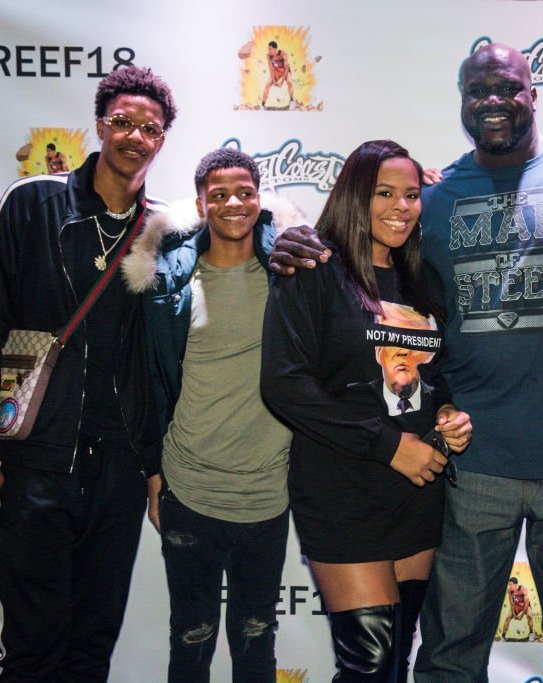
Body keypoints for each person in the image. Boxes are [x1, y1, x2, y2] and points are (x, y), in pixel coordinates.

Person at [268, 43, 543, 682]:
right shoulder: (436, 196)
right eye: (477, 92)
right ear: (461, 103)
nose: (492, 103)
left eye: (507, 88)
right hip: (470, 466)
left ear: (534, 92)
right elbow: (365, 249)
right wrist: (281, 236)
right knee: (450, 655)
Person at [0, 65, 176, 680]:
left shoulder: (164, 234)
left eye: (149, 128)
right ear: (100, 125)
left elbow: (162, 363)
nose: (134, 136)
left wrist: (153, 467)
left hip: (119, 473)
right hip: (35, 461)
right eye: (122, 122)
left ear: (162, 140)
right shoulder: (32, 203)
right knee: (31, 651)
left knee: (90, 649)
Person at [260, 139, 472, 682]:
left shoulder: (422, 279)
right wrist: (388, 445)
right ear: (356, 194)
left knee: (396, 662)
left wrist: (447, 410)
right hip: (343, 490)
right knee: (369, 668)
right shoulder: (312, 268)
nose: (402, 206)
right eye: (384, 193)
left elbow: (432, 373)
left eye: (411, 194)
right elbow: (283, 385)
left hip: (416, 493)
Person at [121, 148, 303, 682]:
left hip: (267, 496)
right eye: (219, 194)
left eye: (244, 191)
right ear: (200, 205)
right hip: (189, 491)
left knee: (255, 645)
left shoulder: (289, 275)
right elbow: (152, 386)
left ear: (259, 198)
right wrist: (154, 473)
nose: (233, 203)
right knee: (190, 642)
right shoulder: (169, 287)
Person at [498, 577, 537, 642]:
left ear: (515, 584)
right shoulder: (509, 591)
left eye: (511, 584)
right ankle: (503, 636)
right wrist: (513, 613)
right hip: (516, 606)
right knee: (508, 618)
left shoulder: (523, 589)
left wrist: (521, 615)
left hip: (525, 606)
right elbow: (511, 603)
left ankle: (531, 633)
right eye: (509, 584)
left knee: (529, 615)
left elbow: (527, 602)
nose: (509, 586)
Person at [262, 40, 295, 109]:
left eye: (270, 49)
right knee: (267, 84)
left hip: (285, 71)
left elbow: (286, 68)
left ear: (275, 49)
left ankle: (292, 100)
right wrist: (273, 80)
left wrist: (282, 81)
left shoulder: (282, 54)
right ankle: (262, 104)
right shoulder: (268, 56)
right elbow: (271, 68)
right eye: (268, 49)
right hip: (277, 71)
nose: (269, 50)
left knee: (289, 82)